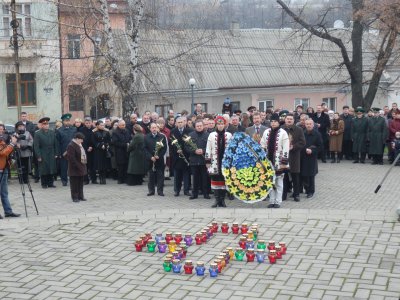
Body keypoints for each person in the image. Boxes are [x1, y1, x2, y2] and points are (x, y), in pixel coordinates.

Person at [260, 113, 290, 208]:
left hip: (279, 160)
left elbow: (286, 148)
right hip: (268, 160)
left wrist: (284, 161)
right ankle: (271, 200)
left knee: (279, 182)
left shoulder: (283, 133)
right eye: (272, 121)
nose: (273, 123)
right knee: (270, 182)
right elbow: (262, 144)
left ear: (278, 122)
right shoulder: (266, 132)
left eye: (275, 122)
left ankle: (278, 201)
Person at [205, 115, 232, 208]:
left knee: (224, 181)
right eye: (219, 124)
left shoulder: (229, 135)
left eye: (222, 124)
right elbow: (208, 148)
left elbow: (232, 149)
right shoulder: (211, 135)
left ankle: (222, 200)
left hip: (225, 163)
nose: (220, 126)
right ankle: (217, 199)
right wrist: (207, 161)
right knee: (216, 180)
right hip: (214, 162)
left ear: (225, 125)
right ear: (216, 125)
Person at [282, 113, 306, 202]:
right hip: (283, 156)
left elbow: (302, 142)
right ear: (285, 120)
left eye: (291, 119)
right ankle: (283, 195)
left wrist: (294, 147)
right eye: (287, 119)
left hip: (294, 156)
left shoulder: (298, 129)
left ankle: (296, 194)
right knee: (283, 176)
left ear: (293, 120)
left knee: (295, 176)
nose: (289, 120)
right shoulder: (281, 129)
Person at [185, 120, 210, 200]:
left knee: (205, 178)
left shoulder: (207, 135)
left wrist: (203, 150)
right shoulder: (190, 135)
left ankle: (206, 193)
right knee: (195, 178)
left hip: (204, 161)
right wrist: (194, 151)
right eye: (197, 126)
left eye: (200, 126)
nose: (199, 127)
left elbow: (210, 147)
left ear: (203, 126)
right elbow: (186, 147)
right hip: (194, 160)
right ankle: (194, 194)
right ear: (195, 127)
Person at [34, 117, 59, 188]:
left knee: (51, 168)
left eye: (47, 124)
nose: (46, 125)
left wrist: (56, 153)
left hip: (51, 153)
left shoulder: (52, 132)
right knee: (44, 169)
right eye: (44, 124)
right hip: (43, 153)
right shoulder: (38, 134)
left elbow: (55, 144)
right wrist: (38, 156)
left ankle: (50, 183)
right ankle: (44, 183)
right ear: (41, 125)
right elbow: (36, 146)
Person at [0, 134, 21, 218]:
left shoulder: (3, 141)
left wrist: (14, 145)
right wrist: (12, 143)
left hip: (4, 169)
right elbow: (2, 153)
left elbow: (8, 153)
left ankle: (8, 211)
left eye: (2, 129)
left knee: (4, 192)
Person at [144, 123, 167, 196]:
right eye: (152, 128)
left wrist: (159, 156)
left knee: (160, 176)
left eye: (155, 127)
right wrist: (150, 157)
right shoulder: (146, 137)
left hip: (159, 160)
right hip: (150, 160)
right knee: (151, 176)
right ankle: (151, 191)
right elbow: (144, 149)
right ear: (150, 129)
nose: (154, 129)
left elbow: (164, 148)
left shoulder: (162, 137)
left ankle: (160, 191)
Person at [300, 119, 322, 198]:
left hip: (311, 157)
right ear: (305, 125)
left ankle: (311, 191)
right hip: (302, 156)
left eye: (310, 124)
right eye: (307, 124)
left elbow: (320, 147)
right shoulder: (302, 133)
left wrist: (312, 150)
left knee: (311, 175)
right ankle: (305, 189)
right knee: (304, 174)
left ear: (313, 125)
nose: (308, 125)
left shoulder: (317, 134)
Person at [170, 117, 191, 196]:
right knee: (177, 175)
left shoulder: (189, 131)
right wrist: (176, 151)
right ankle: (177, 190)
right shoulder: (173, 131)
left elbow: (190, 144)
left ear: (184, 122)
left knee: (186, 174)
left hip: (186, 156)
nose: (180, 124)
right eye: (178, 122)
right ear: (176, 123)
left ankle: (186, 190)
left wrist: (186, 151)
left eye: (181, 122)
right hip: (177, 157)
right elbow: (171, 144)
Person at [65, 132, 87, 202]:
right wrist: (78, 166)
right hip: (74, 168)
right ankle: (75, 197)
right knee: (74, 183)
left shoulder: (79, 144)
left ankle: (80, 196)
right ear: (77, 139)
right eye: (81, 139)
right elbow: (71, 158)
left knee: (80, 183)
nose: (82, 141)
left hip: (81, 166)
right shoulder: (71, 145)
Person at [56, 113, 77, 186]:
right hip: (63, 151)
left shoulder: (74, 129)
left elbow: (76, 140)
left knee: (73, 166)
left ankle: (73, 180)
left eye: (68, 120)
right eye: (66, 121)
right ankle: (64, 180)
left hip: (73, 151)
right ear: (63, 121)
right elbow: (57, 142)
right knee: (64, 167)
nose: (67, 122)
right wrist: (58, 153)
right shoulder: (59, 130)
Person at [112, 120, 132, 184]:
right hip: (119, 151)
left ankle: (126, 179)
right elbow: (115, 142)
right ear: (118, 125)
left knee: (126, 165)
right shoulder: (115, 132)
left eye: (124, 125)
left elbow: (129, 138)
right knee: (120, 166)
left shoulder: (127, 131)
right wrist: (125, 144)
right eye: (122, 125)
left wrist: (129, 143)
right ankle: (120, 179)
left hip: (127, 151)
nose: (124, 126)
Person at [80, 117, 96, 183]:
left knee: (93, 165)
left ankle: (94, 179)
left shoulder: (94, 129)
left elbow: (95, 139)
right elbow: (82, 140)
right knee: (85, 165)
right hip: (85, 149)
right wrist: (87, 148)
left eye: (89, 123)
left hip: (93, 149)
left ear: (91, 123)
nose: (88, 124)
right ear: (85, 123)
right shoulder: (81, 130)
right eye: (86, 123)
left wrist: (91, 147)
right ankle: (85, 180)